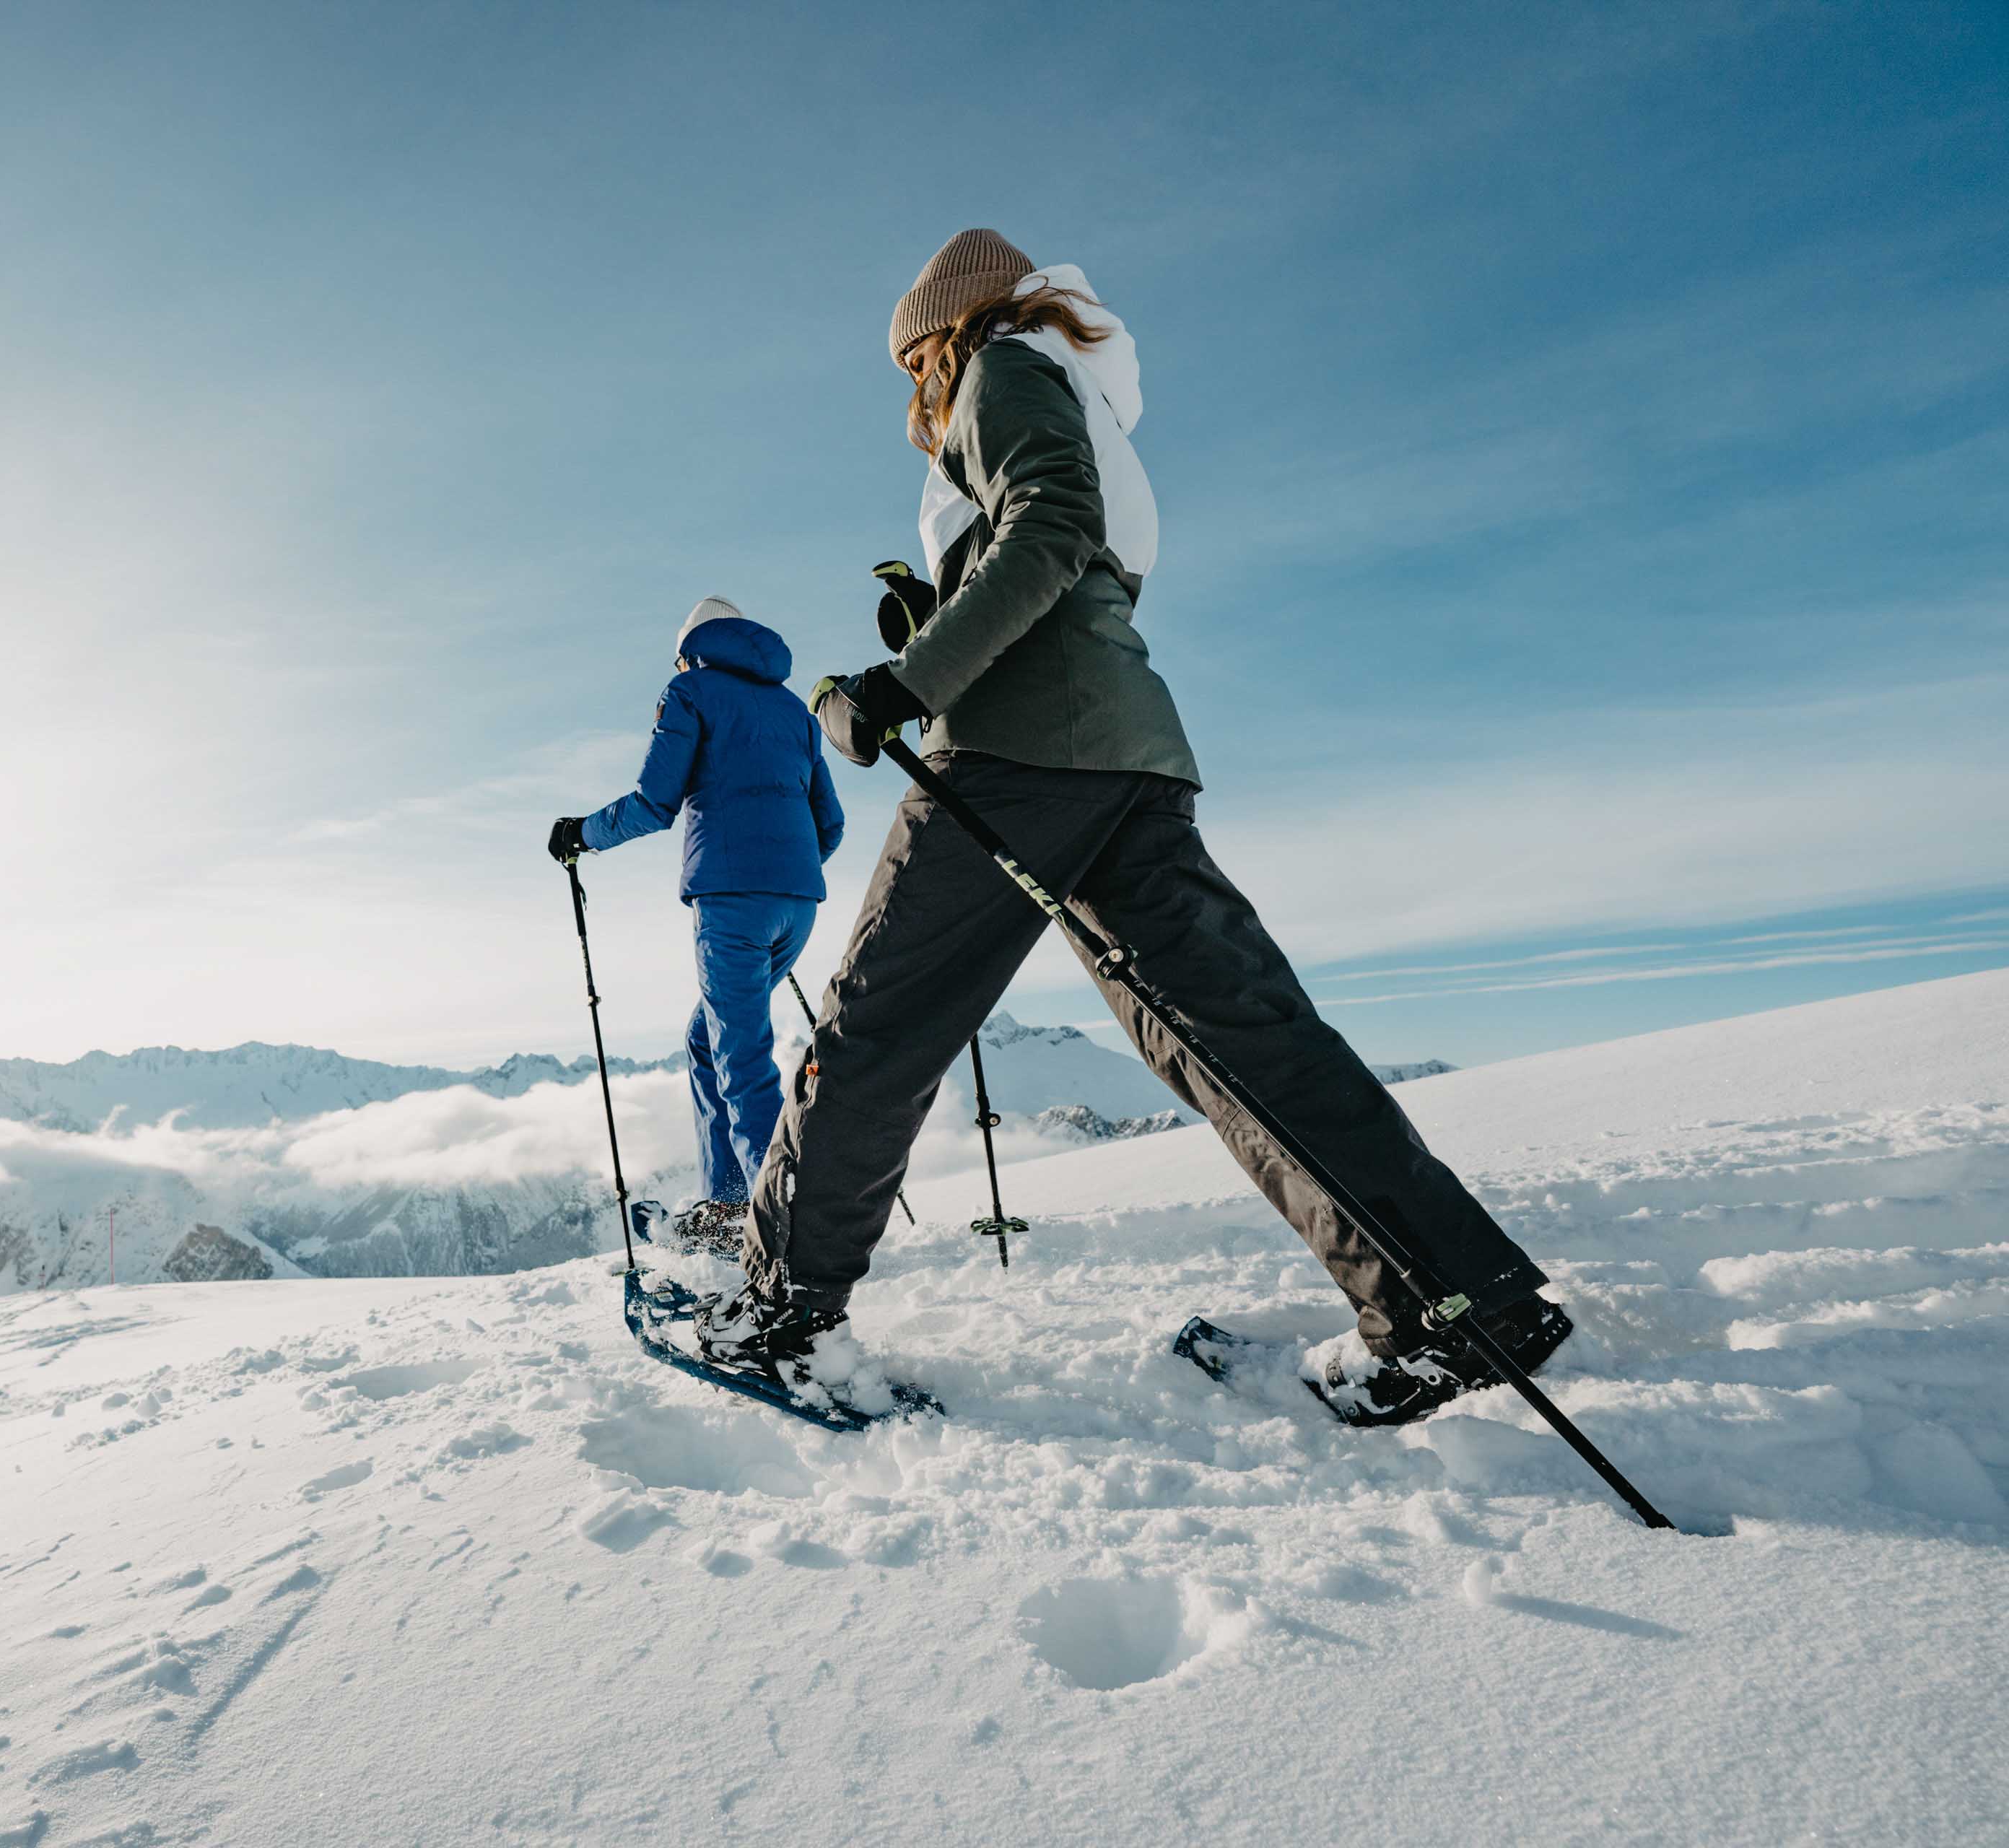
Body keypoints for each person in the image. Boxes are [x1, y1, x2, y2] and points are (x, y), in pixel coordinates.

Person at [711, 230, 1571, 1424]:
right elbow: (1081, 568)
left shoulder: (1003, 366)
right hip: (1127, 759)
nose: (916, 389)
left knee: (875, 1031)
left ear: (949, 326)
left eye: (916, 360)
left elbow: (1050, 529)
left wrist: (909, 679)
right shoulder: (1087, 399)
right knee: (1240, 1039)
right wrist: (948, 604)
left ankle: (774, 1319)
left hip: (1012, 762)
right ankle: (1455, 1304)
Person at [552, 598, 845, 1257]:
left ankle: (780, 1223)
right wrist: (784, 870)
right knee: (709, 1040)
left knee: (741, 1060)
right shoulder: (794, 709)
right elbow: (830, 824)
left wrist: (581, 835)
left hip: (731, 900)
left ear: (690, 650)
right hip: (796, 902)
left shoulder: (688, 689)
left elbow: (656, 804)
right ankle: (731, 1202)